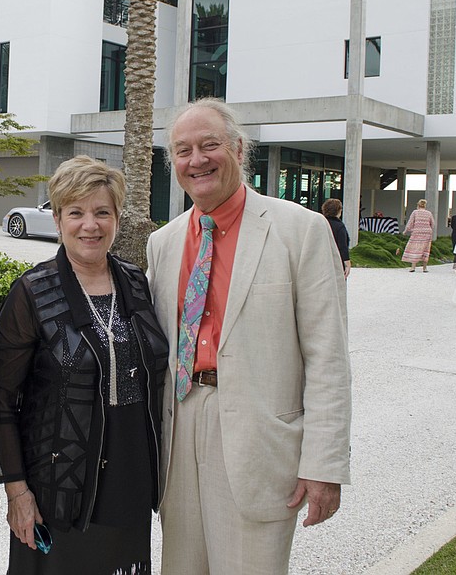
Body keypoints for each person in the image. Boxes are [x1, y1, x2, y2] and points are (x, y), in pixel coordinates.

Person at [146, 99, 351, 573]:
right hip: (178, 432)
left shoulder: (301, 230)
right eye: (183, 150)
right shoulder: (164, 242)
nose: (197, 160)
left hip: (259, 441)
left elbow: (328, 358)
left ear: (239, 149)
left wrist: (323, 464)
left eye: (209, 145)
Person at [0, 155, 169, 575]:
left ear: (117, 218)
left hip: (129, 477)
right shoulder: (32, 292)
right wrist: (17, 492)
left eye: (102, 212)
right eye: (76, 213)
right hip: (60, 485)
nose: (91, 225)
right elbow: (2, 400)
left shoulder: (136, 283)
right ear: (57, 219)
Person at [402, 199, 436, 273]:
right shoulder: (429, 213)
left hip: (417, 232)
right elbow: (433, 224)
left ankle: (413, 267)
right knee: (425, 250)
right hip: (427, 233)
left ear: (418, 205)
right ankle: (424, 268)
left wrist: (406, 231)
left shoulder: (415, 212)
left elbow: (410, 222)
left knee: (415, 249)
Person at [321, 198, 351, 279]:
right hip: (336, 260)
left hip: (321, 259)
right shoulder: (339, 226)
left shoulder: (320, 222)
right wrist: (347, 263)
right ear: (338, 211)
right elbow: (343, 246)